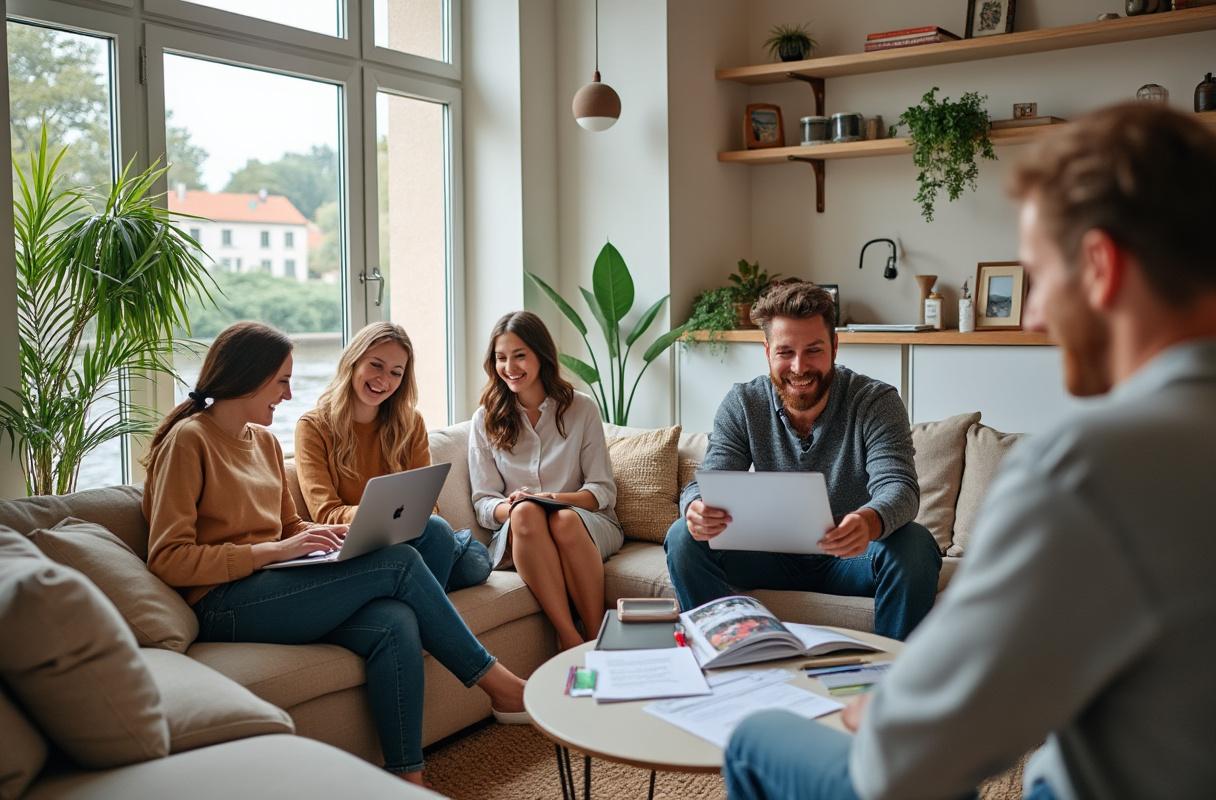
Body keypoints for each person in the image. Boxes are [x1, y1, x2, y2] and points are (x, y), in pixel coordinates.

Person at [724, 103, 1216, 800]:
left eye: (1038, 278)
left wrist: (889, 713)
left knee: (756, 740)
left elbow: (911, 759)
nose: (1036, 316)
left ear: (1101, 266)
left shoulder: (1092, 469)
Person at [143, 321, 527, 788]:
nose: (287, 394)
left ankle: (409, 779)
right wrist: (274, 551)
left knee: (394, 620)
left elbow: (291, 526)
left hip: (276, 581)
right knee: (403, 563)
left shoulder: (262, 442)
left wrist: (327, 542)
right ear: (249, 375)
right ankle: (500, 686)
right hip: (224, 602)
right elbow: (169, 558)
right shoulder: (190, 441)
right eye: (282, 380)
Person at [664, 280, 941, 641]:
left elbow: (899, 487)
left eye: (813, 350)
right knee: (683, 536)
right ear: (767, 353)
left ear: (835, 347)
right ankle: (728, 653)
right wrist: (696, 506)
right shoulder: (744, 403)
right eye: (785, 352)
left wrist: (869, 521)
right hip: (767, 555)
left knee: (915, 546)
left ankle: (894, 686)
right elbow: (706, 481)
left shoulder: (875, 401)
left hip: (851, 557)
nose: (799, 367)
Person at [294, 322, 489, 592]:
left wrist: (400, 521)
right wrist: (383, 518)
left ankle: (407, 590)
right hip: (357, 548)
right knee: (448, 543)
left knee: (474, 561)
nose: (384, 380)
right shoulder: (314, 426)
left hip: (410, 537)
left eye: (396, 373)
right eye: (376, 365)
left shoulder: (410, 423)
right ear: (353, 360)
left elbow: (428, 506)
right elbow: (325, 513)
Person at [468, 311, 623, 651]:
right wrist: (511, 507)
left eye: (519, 355)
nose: (510, 367)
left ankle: (596, 634)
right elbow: (483, 501)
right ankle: (568, 636)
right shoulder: (485, 419)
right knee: (526, 513)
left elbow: (602, 490)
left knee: (564, 520)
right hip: (521, 530)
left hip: (585, 522)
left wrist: (555, 498)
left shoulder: (581, 408)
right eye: (501, 358)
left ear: (541, 355)